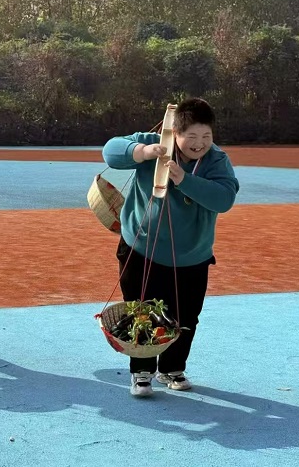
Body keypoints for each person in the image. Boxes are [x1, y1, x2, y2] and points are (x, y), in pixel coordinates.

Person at [102, 98, 239, 397]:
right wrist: (142, 152)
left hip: (192, 256)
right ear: (175, 132)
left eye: (206, 136)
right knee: (140, 312)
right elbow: (110, 151)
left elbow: (224, 199)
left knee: (185, 317)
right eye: (192, 136)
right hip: (141, 248)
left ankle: (172, 368)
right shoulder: (155, 143)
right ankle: (141, 372)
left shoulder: (216, 161)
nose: (199, 144)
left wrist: (184, 180)